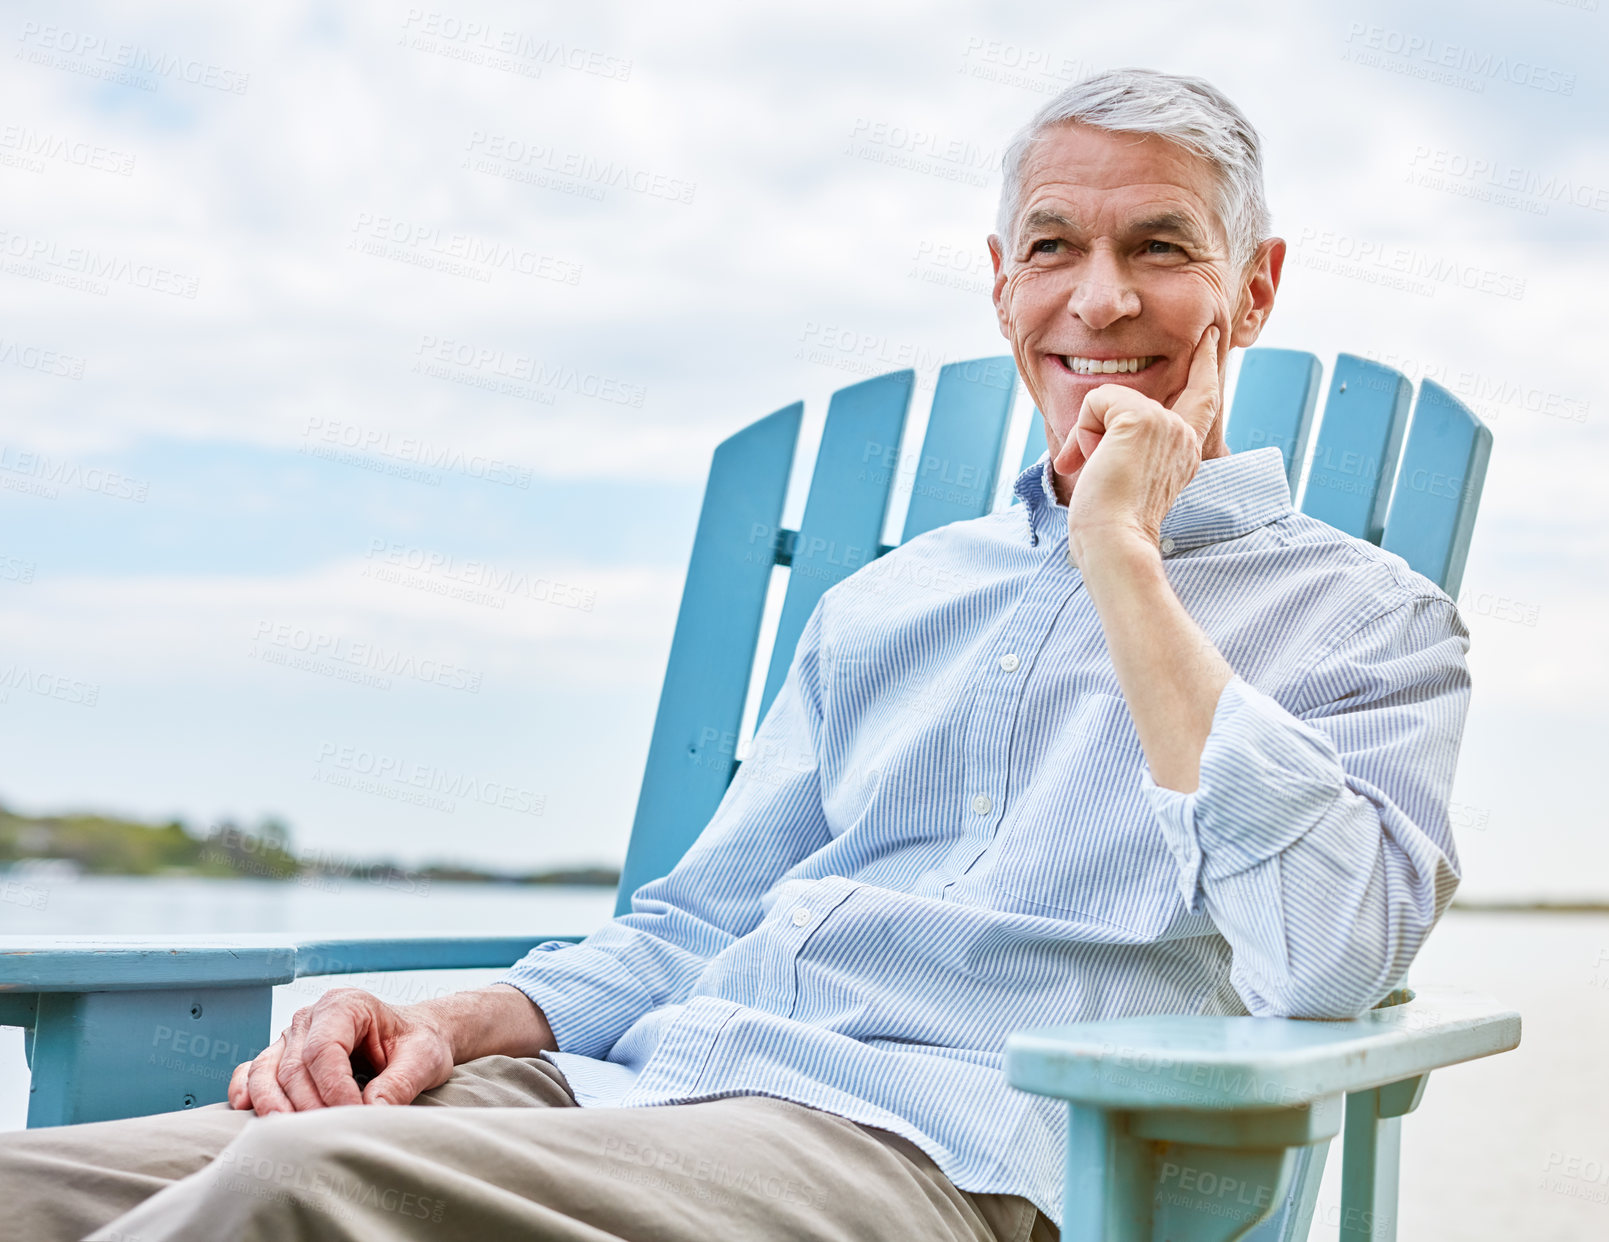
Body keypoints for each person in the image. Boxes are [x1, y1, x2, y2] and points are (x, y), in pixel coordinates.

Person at [0, 67, 1470, 1242]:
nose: (1097, 301)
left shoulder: (1367, 622)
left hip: (922, 1150)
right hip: (623, 1086)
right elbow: (694, 923)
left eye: (1160, 247)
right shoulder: (891, 603)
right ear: (999, 283)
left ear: (1255, 287)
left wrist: (1122, 558)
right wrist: (454, 1011)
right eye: (1051, 249)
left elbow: (1326, 961)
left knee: (298, 1197)